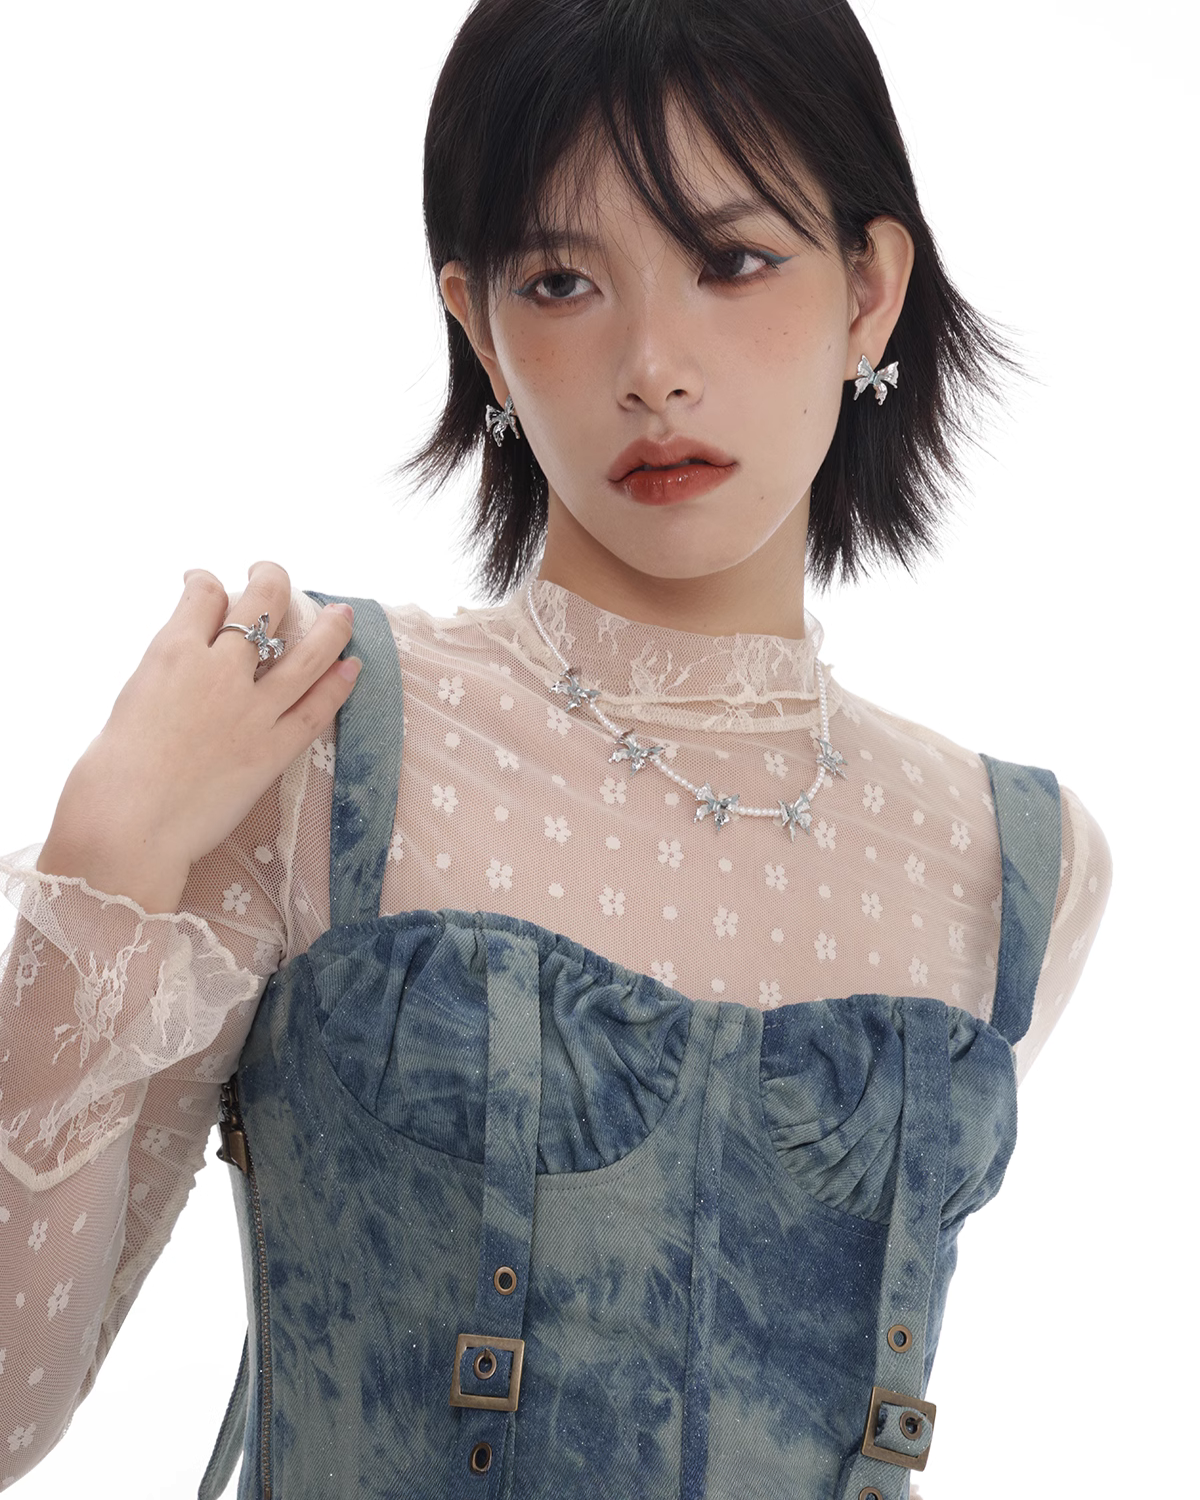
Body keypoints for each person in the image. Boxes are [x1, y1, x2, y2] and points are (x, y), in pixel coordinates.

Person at [0, 0, 1111, 1493]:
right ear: (479, 326)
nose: (653, 365)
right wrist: (106, 859)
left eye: (731, 260)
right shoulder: (321, 738)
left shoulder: (1013, 861)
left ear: (869, 289)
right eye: (563, 281)